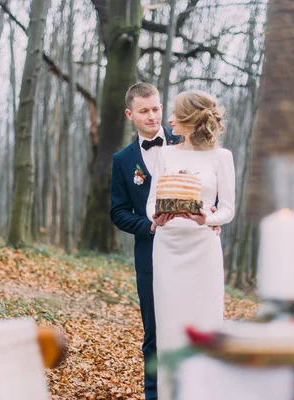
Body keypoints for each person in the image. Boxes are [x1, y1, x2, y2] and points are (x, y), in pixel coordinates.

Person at [146, 90, 236, 400]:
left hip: (203, 250)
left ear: (190, 119)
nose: (167, 120)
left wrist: (207, 220)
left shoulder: (222, 157)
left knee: (205, 323)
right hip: (168, 247)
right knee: (170, 328)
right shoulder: (165, 154)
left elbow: (227, 208)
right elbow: (149, 204)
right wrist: (157, 216)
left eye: (174, 114)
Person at [109, 83, 181, 400]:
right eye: (144, 111)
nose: (152, 116)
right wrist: (148, 226)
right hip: (149, 257)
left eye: (156, 109)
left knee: (189, 328)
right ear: (130, 115)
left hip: (189, 251)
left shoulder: (185, 142)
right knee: (154, 333)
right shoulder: (123, 160)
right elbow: (118, 212)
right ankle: (154, 395)